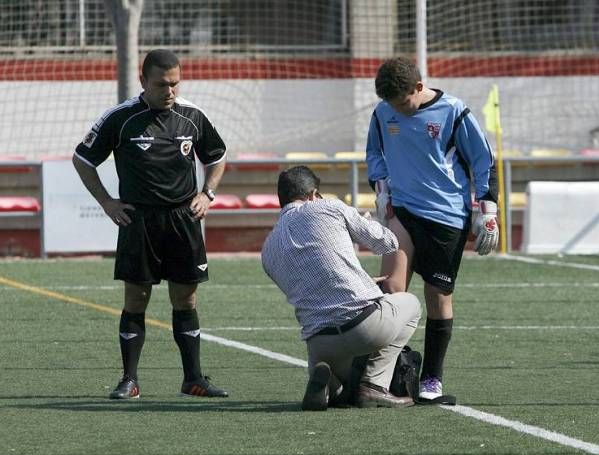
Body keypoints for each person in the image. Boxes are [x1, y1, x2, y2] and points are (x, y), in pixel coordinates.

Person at [72, 49, 228, 399]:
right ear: (143, 81)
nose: (169, 91)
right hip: (139, 220)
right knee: (136, 298)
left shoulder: (192, 116)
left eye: (175, 83)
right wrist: (107, 203)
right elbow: (82, 159)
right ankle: (130, 380)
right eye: (161, 84)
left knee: (185, 300)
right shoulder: (122, 117)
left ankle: (193, 379)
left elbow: (217, 157)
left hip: (182, 219)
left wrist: (208, 193)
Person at [366, 57, 499, 404]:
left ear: (419, 87)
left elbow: (483, 160)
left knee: (437, 296)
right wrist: (381, 189)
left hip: (446, 218)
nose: (399, 110)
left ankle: (431, 379)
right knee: (392, 293)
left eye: (403, 102)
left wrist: (487, 208)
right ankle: (384, 374)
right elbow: (374, 154)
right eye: (392, 104)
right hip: (404, 212)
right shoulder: (383, 113)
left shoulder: (455, 112)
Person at [261, 165, 422, 411]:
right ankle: (375, 385)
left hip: (319, 343)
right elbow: (387, 242)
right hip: (364, 326)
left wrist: (361, 280)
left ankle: (330, 386)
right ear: (314, 194)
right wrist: (364, 221)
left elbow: (312, 284)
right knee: (411, 304)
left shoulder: (268, 248)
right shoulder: (329, 207)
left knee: (345, 384)